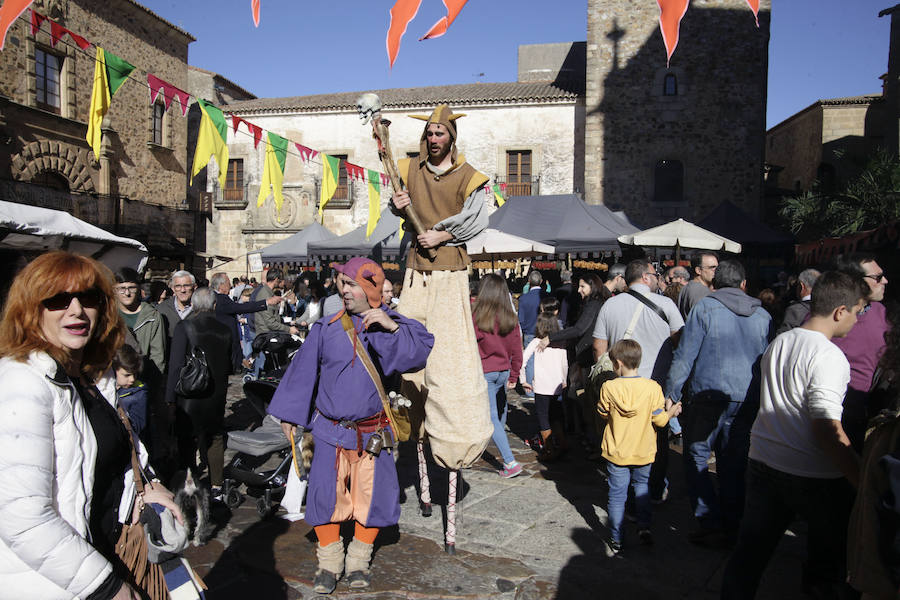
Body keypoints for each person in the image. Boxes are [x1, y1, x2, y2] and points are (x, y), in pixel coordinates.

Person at [0, 251, 180, 600]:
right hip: (56, 581)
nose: (76, 309)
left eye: (89, 298)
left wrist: (147, 485)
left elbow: (105, 458)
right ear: (30, 309)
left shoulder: (86, 376)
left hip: (107, 551)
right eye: (57, 299)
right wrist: (108, 589)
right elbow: (22, 517)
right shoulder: (21, 382)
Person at [267, 258, 434, 593]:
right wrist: (289, 415)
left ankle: (359, 558)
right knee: (325, 496)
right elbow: (303, 373)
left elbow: (415, 354)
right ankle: (329, 561)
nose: (343, 290)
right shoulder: (326, 328)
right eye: (341, 283)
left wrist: (390, 326)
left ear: (371, 288)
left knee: (371, 499)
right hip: (330, 430)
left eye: (351, 284)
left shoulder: (393, 325)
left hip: (373, 433)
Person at [721, 271, 867, 599]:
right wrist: (860, 477)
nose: (858, 320)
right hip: (812, 475)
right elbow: (826, 427)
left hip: (764, 461)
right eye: (858, 311)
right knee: (824, 567)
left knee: (748, 557)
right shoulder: (829, 357)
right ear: (840, 311)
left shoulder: (781, 342)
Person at [390, 103, 493, 471]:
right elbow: (400, 208)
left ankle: (456, 437)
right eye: (429, 133)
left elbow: (477, 219)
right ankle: (412, 426)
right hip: (416, 272)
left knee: (450, 360)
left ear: (452, 137)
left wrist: (443, 234)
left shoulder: (470, 176)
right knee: (409, 350)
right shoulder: (407, 170)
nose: (433, 139)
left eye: (440, 133)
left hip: (449, 273)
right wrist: (398, 205)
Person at [664, 260, 773, 545]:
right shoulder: (763, 315)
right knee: (734, 462)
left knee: (697, 456)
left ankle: (709, 519)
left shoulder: (705, 308)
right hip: (747, 396)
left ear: (714, 284)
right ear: (744, 284)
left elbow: (686, 355)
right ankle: (732, 521)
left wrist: (672, 392)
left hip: (708, 394)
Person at [593, 258, 685, 503]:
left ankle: (623, 493)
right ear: (645, 277)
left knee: (619, 434)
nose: (658, 278)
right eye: (655, 274)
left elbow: (599, 348)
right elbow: (681, 343)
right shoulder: (666, 304)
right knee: (657, 437)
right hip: (655, 386)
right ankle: (652, 491)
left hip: (619, 384)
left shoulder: (609, 306)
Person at [599, 339, 682, 554]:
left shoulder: (609, 387)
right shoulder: (652, 387)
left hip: (617, 451)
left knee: (617, 495)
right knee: (642, 487)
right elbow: (660, 421)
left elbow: (602, 412)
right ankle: (644, 527)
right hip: (644, 451)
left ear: (618, 363)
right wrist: (672, 412)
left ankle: (616, 538)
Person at [165, 287, 235, 501]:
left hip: (189, 395)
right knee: (214, 438)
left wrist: (169, 398)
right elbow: (231, 364)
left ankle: (191, 484)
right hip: (215, 393)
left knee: (187, 440)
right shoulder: (225, 330)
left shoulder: (184, 327)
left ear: (193, 305)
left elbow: (175, 365)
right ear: (214, 306)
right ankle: (216, 485)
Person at [538, 273, 611, 453]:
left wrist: (551, 337)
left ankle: (592, 441)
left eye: (582, 286)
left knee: (585, 400)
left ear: (592, 286)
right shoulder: (592, 303)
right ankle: (586, 436)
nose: (579, 290)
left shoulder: (594, 304)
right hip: (585, 355)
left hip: (588, 358)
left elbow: (580, 329)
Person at [833, 253, 891, 452]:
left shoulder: (882, 313)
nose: (885, 281)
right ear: (855, 282)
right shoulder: (829, 317)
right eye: (877, 277)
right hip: (838, 420)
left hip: (873, 418)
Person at [473, 274, 524, 478]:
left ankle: (510, 462)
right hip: (503, 371)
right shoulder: (510, 318)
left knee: (492, 417)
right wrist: (514, 374)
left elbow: (470, 346)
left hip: (486, 372)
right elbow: (516, 349)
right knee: (500, 414)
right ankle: (500, 444)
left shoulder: (477, 317)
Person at [521, 297, 569, 460]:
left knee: (543, 418)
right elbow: (565, 363)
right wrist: (564, 379)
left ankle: (549, 450)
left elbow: (522, 359)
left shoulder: (536, 341)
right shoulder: (560, 341)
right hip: (556, 385)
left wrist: (523, 380)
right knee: (556, 416)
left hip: (541, 386)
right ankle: (562, 444)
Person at [211, 271, 280, 371]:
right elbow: (241, 308)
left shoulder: (213, 297)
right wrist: (266, 302)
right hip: (223, 345)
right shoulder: (221, 299)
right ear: (221, 286)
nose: (230, 285)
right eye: (228, 283)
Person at [114, 267, 166, 379]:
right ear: (114, 290)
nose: (127, 293)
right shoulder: (109, 314)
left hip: (142, 380)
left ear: (139, 289)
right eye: (122, 288)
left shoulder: (152, 316)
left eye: (131, 288)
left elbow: (158, 356)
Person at [518, 270, 546, 398]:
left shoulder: (524, 298)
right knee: (544, 360)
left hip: (529, 332)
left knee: (529, 361)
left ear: (529, 282)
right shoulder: (547, 296)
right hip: (545, 333)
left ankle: (530, 390)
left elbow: (521, 319)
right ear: (541, 281)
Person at [113, 344, 149, 443]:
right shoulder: (103, 389)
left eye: (135, 373)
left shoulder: (138, 393)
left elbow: (137, 427)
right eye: (127, 375)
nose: (132, 379)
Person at [775, 268, 820, 336]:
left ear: (802, 286)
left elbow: (783, 338)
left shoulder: (794, 310)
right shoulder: (828, 307)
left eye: (797, 285)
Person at [157, 270, 197, 342]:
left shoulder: (201, 310)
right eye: (178, 286)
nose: (182, 290)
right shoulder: (161, 309)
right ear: (173, 289)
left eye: (186, 285)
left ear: (194, 287)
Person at [677, 252, 718, 319]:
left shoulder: (689, 287)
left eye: (717, 267)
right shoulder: (699, 290)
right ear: (698, 270)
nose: (716, 271)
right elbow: (705, 320)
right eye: (712, 267)